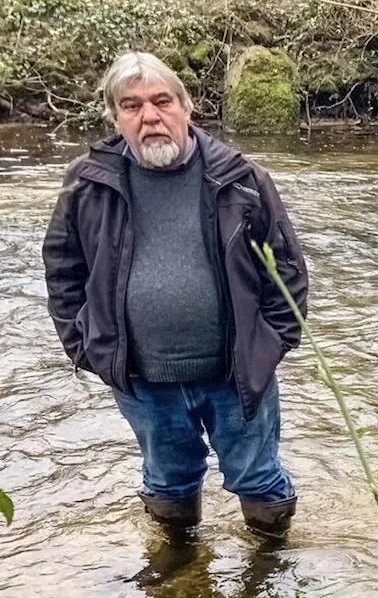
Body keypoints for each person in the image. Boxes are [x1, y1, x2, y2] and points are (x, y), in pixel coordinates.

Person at [42, 51, 308, 540]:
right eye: (131, 106)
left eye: (162, 101)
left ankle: (270, 566)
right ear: (115, 118)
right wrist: (88, 348)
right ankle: (179, 571)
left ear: (186, 108)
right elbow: (62, 269)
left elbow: (286, 268)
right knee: (167, 486)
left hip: (235, 374)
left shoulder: (241, 179)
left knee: (260, 481)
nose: (150, 117)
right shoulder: (86, 183)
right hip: (142, 379)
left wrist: (270, 344)